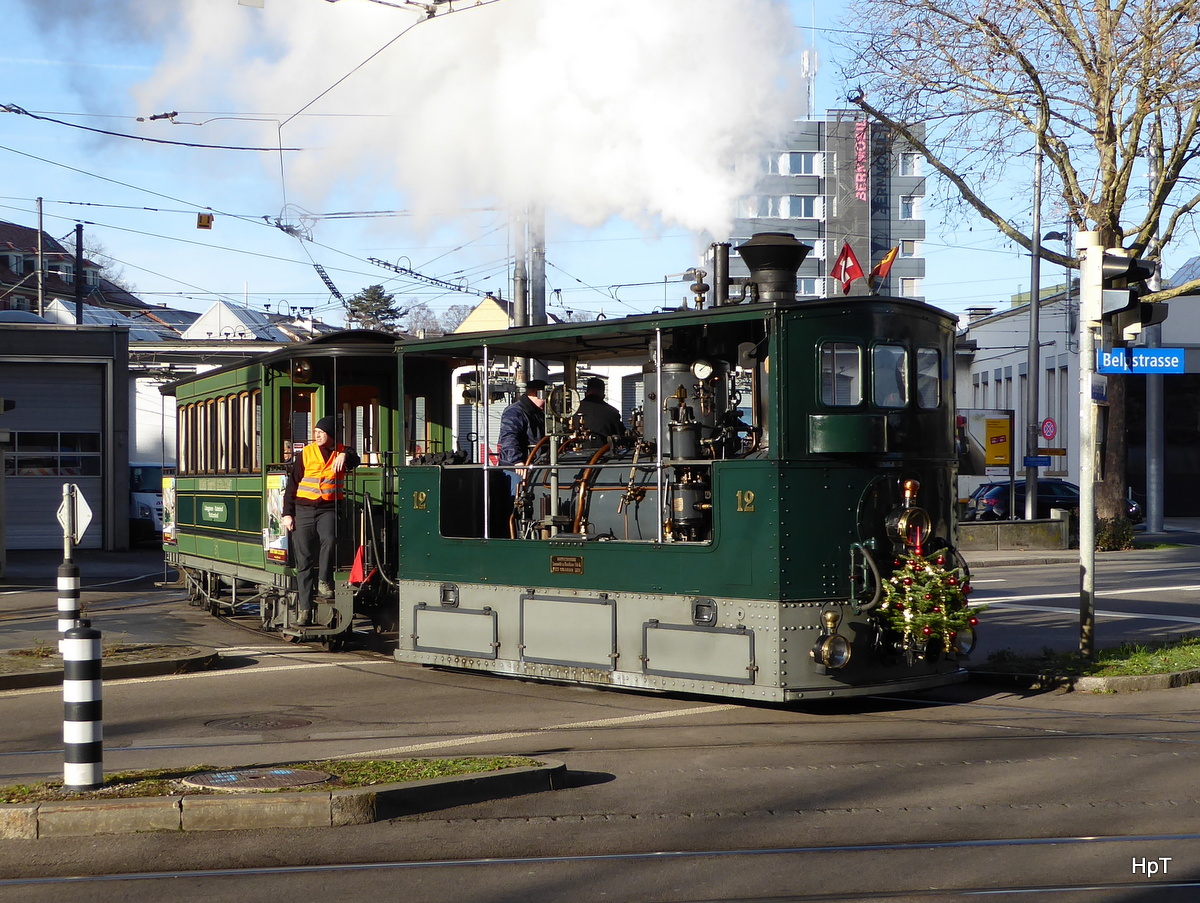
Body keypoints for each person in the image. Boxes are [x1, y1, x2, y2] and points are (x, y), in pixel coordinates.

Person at [282, 415, 360, 626]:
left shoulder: (341, 451)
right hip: (304, 509)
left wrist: (344, 454)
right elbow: (292, 484)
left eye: (321, 432)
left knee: (330, 538)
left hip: (327, 509)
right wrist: (287, 514)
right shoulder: (306, 453)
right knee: (304, 561)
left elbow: (356, 458)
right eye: (315, 432)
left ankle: (324, 580)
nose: (317, 435)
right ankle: (305, 610)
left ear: (331, 435)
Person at [498, 379, 547, 492]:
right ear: (536, 393)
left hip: (532, 465)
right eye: (545, 395)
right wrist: (517, 461)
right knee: (518, 499)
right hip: (518, 468)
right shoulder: (515, 411)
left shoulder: (536, 413)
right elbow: (509, 436)